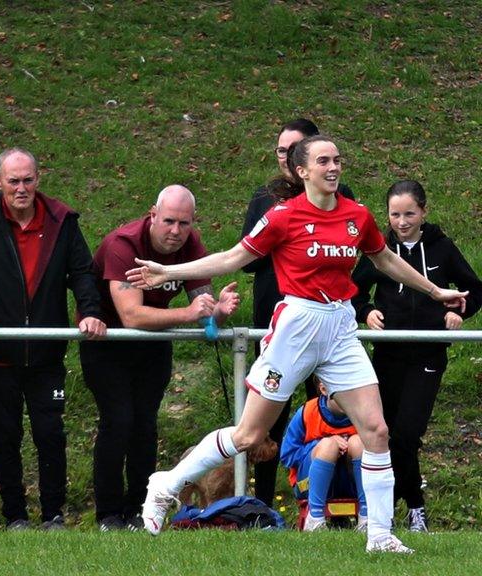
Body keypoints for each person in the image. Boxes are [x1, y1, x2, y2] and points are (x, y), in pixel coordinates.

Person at [128, 135, 467, 553]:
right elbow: (235, 257)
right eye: (323, 161)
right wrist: (167, 271)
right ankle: (167, 483)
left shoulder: (356, 215)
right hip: (297, 326)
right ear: (302, 170)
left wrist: (435, 292)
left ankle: (379, 535)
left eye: (338, 160)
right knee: (251, 435)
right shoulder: (282, 216)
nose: (333, 167)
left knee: (377, 430)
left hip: (340, 325)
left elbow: (385, 260)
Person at [0, 147, 106, 530]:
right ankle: (14, 516)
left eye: (28, 179)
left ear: (38, 179)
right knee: (4, 437)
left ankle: (54, 515)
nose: (21, 188)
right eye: (13, 181)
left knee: (50, 435)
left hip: (47, 355)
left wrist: (91, 312)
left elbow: (81, 272)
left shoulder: (62, 220)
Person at [82, 185, 239, 531]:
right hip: (108, 342)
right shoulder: (124, 245)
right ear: (152, 214)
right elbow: (132, 316)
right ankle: (108, 515)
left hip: (155, 344)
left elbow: (204, 313)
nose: (176, 231)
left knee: (145, 425)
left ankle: (140, 511)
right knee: (118, 421)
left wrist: (220, 313)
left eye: (184, 223)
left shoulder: (191, 244)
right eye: (168, 221)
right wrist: (188, 313)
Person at [352, 180, 482, 532]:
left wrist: (460, 311)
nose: (403, 221)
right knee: (386, 434)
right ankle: (401, 510)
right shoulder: (378, 250)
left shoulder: (442, 249)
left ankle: (408, 509)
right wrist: (366, 311)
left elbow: (475, 290)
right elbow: (351, 290)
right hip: (388, 355)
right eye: (395, 214)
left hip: (428, 353)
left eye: (410, 213)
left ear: (424, 211)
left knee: (408, 434)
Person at [240, 119, 356, 506]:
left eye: (296, 149)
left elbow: (369, 257)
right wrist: (287, 240)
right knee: (263, 423)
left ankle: (322, 504)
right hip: (279, 320)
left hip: (328, 323)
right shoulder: (268, 200)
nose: (287, 158)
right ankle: (261, 506)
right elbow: (244, 260)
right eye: (281, 152)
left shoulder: (343, 200)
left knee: (329, 411)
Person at [280, 380, 367, 532]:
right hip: (308, 483)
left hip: (351, 483)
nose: (349, 398)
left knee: (358, 442)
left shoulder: (364, 413)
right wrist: (320, 445)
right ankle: (315, 519)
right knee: (328, 446)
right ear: (324, 389)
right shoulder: (308, 412)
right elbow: (287, 456)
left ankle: (367, 516)